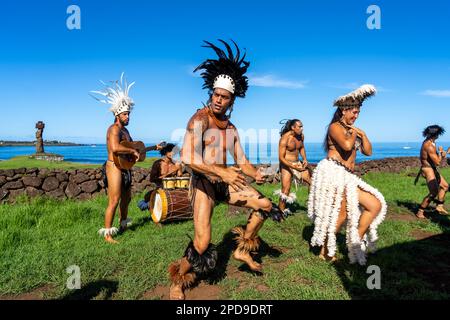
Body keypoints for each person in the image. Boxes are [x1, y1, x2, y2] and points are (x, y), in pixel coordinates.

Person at [167, 40, 283, 300]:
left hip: (225, 181)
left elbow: (242, 162)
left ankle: (242, 250)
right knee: (202, 242)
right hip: (203, 183)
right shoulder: (200, 119)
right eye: (216, 95)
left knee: (265, 205)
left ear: (232, 100)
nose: (219, 100)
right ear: (211, 93)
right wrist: (222, 173)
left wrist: (256, 173)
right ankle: (178, 280)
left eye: (224, 97)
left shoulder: (231, 129)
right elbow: (186, 156)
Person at [307, 84, 387, 265]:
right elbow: (347, 146)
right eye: (353, 112)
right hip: (333, 173)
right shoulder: (335, 127)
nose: (356, 116)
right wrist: (353, 132)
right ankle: (325, 251)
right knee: (341, 214)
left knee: (374, 205)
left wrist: (363, 135)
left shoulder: (354, 130)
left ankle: (354, 241)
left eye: (358, 113)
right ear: (343, 111)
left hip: (347, 176)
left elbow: (368, 152)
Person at [91, 73, 162, 243]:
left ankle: (123, 224)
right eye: (125, 114)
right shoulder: (113, 129)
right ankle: (108, 234)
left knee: (127, 198)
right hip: (113, 167)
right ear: (117, 115)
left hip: (125, 168)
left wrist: (153, 148)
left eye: (129, 114)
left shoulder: (126, 131)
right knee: (114, 200)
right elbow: (115, 148)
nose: (128, 117)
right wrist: (132, 152)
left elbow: (132, 148)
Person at [275, 119, 311, 217]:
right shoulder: (284, 138)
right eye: (299, 127)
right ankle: (280, 213)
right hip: (286, 164)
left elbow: (301, 148)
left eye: (302, 126)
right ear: (293, 127)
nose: (302, 129)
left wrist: (304, 159)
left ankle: (312, 207)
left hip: (297, 163)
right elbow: (281, 158)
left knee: (312, 182)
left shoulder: (301, 136)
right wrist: (293, 167)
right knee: (285, 191)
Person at [415, 125, 449, 218]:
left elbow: (435, 158)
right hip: (428, 169)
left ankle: (439, 206)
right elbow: (438, 162)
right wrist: (442, 153)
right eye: (439, 133)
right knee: (434, 192)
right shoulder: (429, 145)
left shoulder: (431, 141)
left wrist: (443, 152)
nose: (439, 135)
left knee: (445, 186)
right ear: (436, 134)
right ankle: (420, 212)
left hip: (432, 168)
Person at [137, 143, 183, 211]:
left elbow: (180, 178)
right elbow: (152, 179)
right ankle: (145, 204)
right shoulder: (158, 163)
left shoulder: (175, 164)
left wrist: (179, 169)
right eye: (170, 151)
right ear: (165, 152)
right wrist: (169, 173)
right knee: (146, 199)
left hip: (173, 189)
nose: (172, 153)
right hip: (160, 189)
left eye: (174, 151)